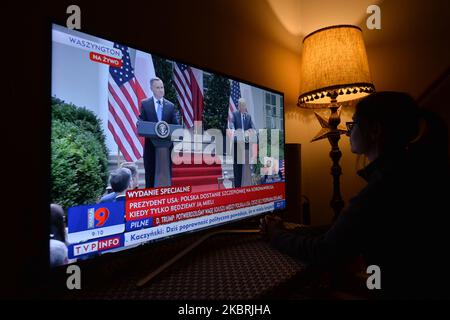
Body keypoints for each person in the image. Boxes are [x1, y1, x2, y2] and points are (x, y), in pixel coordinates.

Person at [260, 91, 450, 299]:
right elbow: (349, 228)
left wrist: (275, 235)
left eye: (353, 124)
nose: (348, 133)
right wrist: (291, 230)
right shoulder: (410, 172)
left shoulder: (380, 190)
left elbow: (323, 252)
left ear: (375, 130)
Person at [139, 77, 179, 188]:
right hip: (151, 146)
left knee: (166, 175)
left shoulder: (170, 106)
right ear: (151, 88)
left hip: (167, 148)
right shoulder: (145, 104)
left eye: (162, 87)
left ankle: (166, 197)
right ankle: (150, 198)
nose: (161, 90)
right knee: (150, 174)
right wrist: (139, 124)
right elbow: (141, 122)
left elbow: (176, 126)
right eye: (158, 88)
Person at [229, 98, 257, 187]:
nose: (244, 107)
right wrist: (236, 132)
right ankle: (237, 188)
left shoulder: (248, 116)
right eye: (242, 105)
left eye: (245, 105)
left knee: (247, 168)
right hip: (237, 145)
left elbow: (253, 128)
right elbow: (231, 125)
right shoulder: (234, 114)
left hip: (246, 146)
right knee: (237, 168)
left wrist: (250, 132)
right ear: (239, 106)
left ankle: (246, 186)